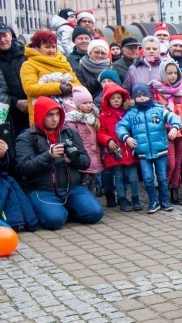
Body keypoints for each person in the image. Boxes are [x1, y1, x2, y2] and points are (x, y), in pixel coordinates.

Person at [15, 97, 103, 230]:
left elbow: (86, 163)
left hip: (72, 188)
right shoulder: (27, 137)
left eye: (57, 114)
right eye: (50, 115)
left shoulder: (69, 133)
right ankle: (59, 210)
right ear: (40, 115)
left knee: (95, 213)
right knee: (54, 221)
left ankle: (65, 208)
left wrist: (74, 159)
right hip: (42, 189)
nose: (55, 119)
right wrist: (48, 155)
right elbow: (23, 168)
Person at [116, 84, 182, 213]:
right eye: (138, 96)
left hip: (161, 150)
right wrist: (126, 137)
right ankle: (153, 201)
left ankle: (164, 200)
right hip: (143, 152)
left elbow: (174, 117)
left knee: (162, 177)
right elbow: (120, 126)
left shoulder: (158, 109)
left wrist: (174, 127)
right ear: (134, 98)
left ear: (149, 95)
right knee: (147, 178)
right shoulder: (131, 114)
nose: (141, 98)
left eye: (144, 95)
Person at [151, 61, 182, 205]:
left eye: (175, 73)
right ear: (163, 73)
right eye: (169, 73)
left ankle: (174, 190)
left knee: (178, 163)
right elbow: (155, 114)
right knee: (169, 163)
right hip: (165, 131)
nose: (173, 76)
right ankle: (163, 189)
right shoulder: (156, 91)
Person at [19, 30, 82, 126]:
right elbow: (30, 89)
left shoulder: (63, 62)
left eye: (53, 47)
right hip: (43, 115)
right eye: (47, 47)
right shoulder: (28, 65)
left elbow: (78, 84)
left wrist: (70, 86)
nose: (52, 50)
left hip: (68, 114)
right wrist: (58, 88)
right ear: (37, 47)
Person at [97, 83, 141, 212]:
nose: (116, 100)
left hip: (130, 151)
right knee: (119, 177)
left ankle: (135, 198)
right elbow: (100, 132)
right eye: (112, 98)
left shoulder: (130, 114)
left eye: (118, 98)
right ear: (107, 100)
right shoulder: (103, 117)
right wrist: (108, 140)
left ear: (123, 99)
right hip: (115, 152)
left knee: (133, 177)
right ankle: (122, 199)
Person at [64, 87, 102, 193]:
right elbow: (71, 136)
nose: (89, 105)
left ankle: (93, 201)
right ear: (78, 104)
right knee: (83, 181)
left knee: (93, 181)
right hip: (82, 154)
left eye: (90, 102)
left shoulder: (94, 117)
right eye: (85, 103)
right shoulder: (72, 119)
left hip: (94, 154)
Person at [0, 21, 29, 135]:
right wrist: (15, 102)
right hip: (8, 112)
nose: (2, 40)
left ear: (10, 35)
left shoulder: (26, 53)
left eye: (4, 35)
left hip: (31, 106)